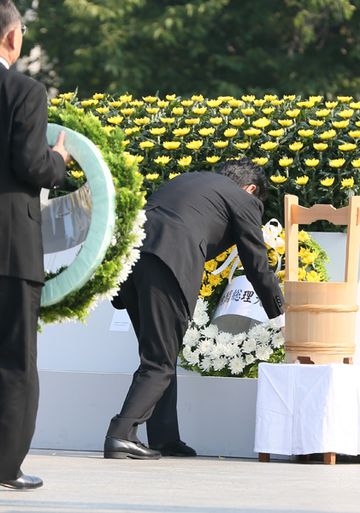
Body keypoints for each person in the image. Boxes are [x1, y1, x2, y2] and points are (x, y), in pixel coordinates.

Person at [105, 158, 285, 460]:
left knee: (159, 356)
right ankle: (121, 433)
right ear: (251, 188)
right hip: (167, 264)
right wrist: (280, 315)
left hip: (129, 261)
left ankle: (164, 438)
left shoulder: (189, 180)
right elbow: (256, 264)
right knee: (159, 362)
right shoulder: (243, 199)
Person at [0, 0, 69, 489]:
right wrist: (57, 159)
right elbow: (31, 166)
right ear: (11, 37)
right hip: (9, 247)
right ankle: (5, 466)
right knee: (14, 362)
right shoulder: (23, 90)